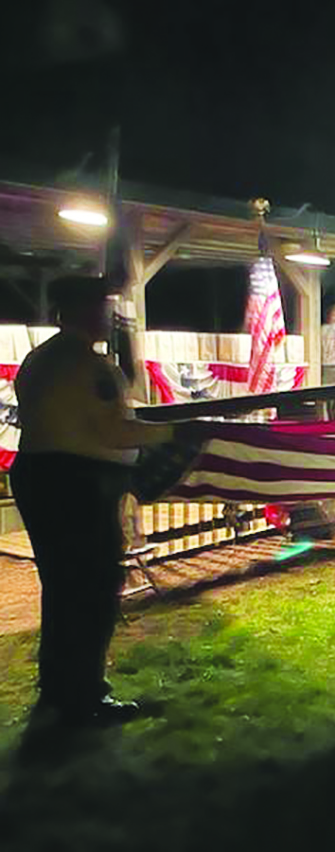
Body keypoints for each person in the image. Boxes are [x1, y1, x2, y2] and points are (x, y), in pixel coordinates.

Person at [10, 275, 177, 727]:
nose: (109, 313)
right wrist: (174, 432)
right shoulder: (92, 367)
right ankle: (84, 695)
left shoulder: (39, 359)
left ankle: (59, 688)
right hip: (77, 484)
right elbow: (112, 430)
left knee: (63, 589)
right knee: (94, 589)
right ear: (84, 310)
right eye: (102, 305)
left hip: (39, 476)